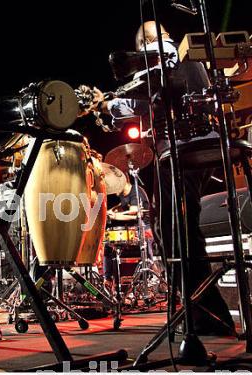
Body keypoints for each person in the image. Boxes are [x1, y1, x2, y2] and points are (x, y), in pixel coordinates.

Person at [87, 21, 235, 335]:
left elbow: (139, 96)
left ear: (146, 44)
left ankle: (205, 316)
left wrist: (105, 104)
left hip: (182, 150)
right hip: (206, 145)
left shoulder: (162, 53)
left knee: (172, 232)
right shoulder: (188, 57)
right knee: (185, 230)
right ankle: (208, 313)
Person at [103, 178, 155, 288]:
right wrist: (113, 210)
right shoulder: (123, 194)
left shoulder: (136, 192)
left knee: (145, 243)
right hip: (133, 228)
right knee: (108, 245)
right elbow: (123, 206)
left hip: (145, 227)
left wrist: (117, 216)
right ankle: (107, 279)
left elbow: (135, 211)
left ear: (123, 181)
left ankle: (151, 275)